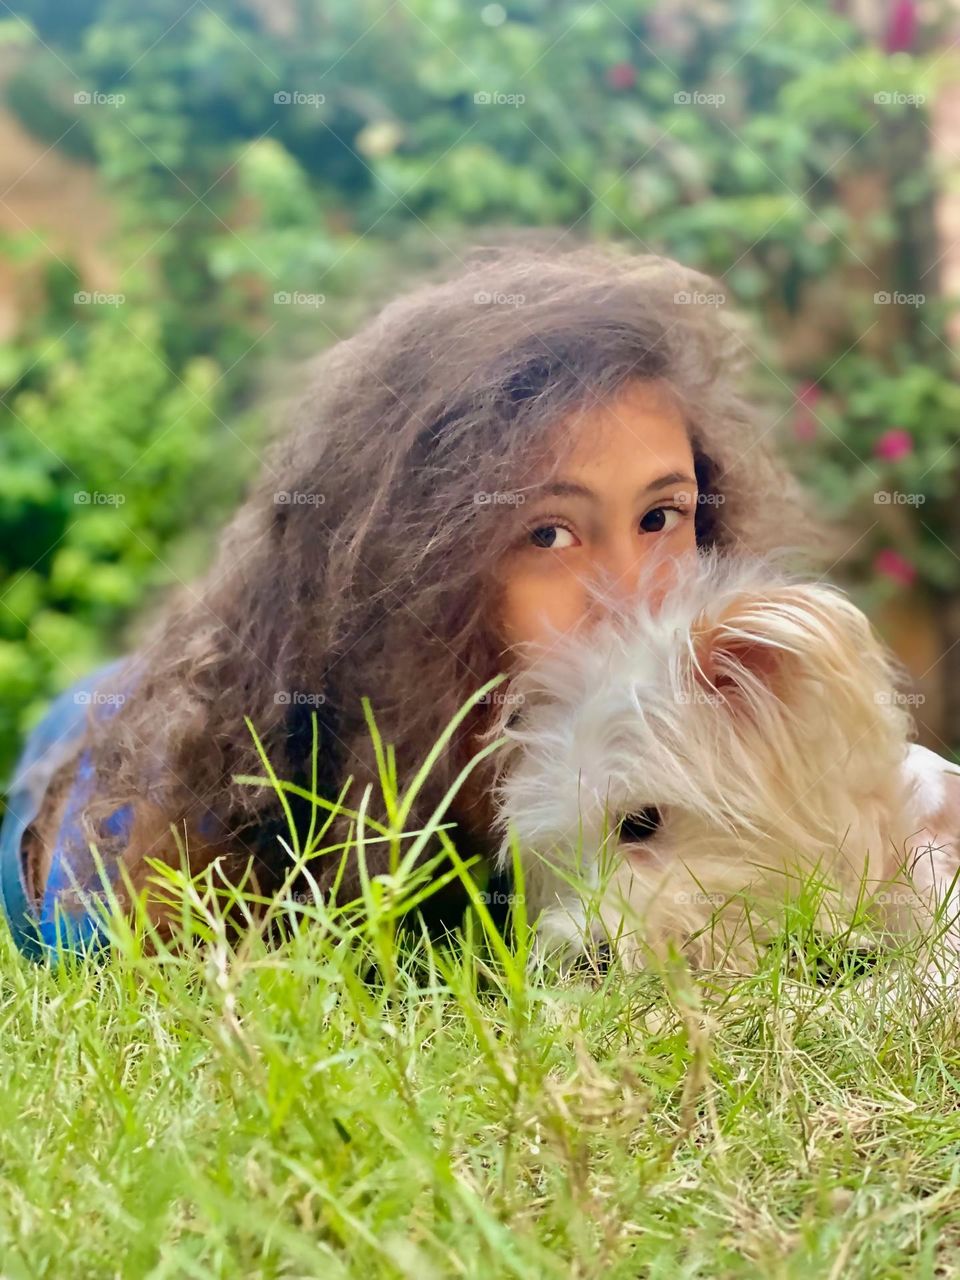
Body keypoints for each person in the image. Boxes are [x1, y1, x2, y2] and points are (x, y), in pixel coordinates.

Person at [0, 242, 823, 966]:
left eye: (660, 517)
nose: (634, 597)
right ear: (416, 574)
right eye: (547, 534)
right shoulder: (211, 820)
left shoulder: (711, 706)